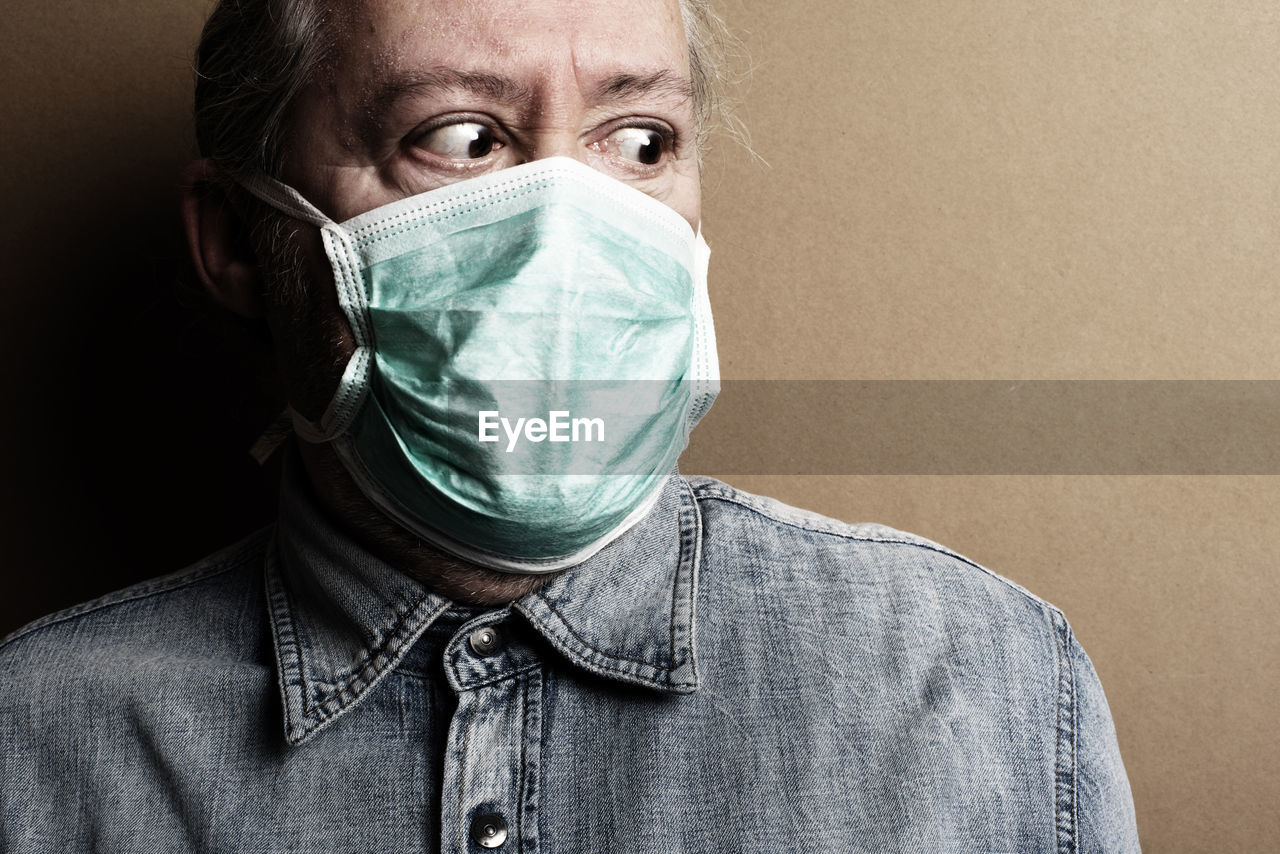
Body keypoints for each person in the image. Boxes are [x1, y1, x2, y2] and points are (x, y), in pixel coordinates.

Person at [0, 0, 1141, 850]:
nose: (565, 230)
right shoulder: (35, 748)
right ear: (242, 244)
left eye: (639, 141)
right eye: (457, 137)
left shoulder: (977, 682)